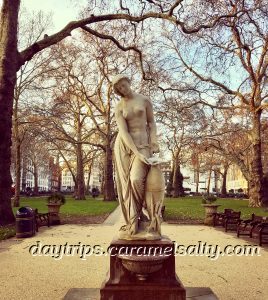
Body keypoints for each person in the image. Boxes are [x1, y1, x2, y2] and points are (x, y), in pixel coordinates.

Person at [113, 74, 161, 238]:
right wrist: (135, 153)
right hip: (125, 147)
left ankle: (142, 214)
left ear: (128, 82)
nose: (122, 89)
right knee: (128, 184)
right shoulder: (119, 107)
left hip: (144, 145)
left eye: (123, 85)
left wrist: (154, 142)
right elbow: (124, 132)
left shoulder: (144, 100)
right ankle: (134, 220)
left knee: (136, 179)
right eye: (118, 89)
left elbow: (152, 122)